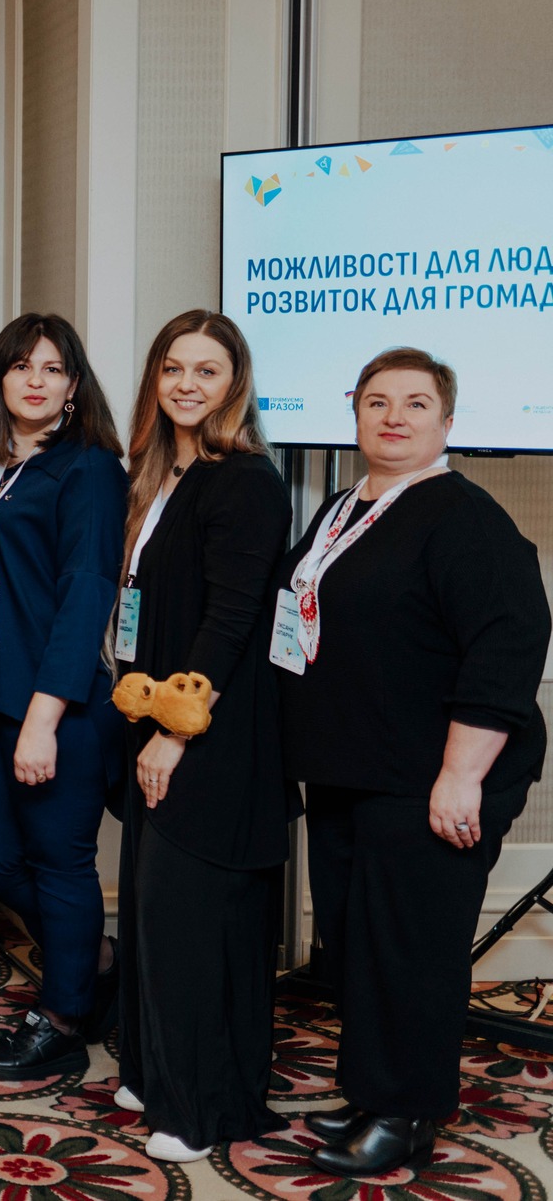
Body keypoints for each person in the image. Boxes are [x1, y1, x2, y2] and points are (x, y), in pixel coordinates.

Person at [275, 349, 550, 1177]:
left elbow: (507, 646)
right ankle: (372, 1091)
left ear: (448, 421)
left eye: (416, 403)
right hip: (351, 767)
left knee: (411, 949)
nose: (394, 416)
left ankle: (408, 1110)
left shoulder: (464, 517)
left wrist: (461, 775)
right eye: (377, 400)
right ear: (355, 411)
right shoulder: (342, 508)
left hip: (430, 775)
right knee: (358, 943)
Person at [108, 309, 291, 1162]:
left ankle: (203, 1106)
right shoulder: (158, 474)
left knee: (192, 923)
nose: (187, 384)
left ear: (235, 383)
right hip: (153, 720)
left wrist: (177, 731)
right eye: (173, 367)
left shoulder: (244, 481)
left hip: (209, 735)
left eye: (207, 370)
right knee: (152, 911)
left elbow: (231, 618)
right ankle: (155, 1071)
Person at [0, 314, 128, 1080]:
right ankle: (95, 959)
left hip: (58, 706)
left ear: (73, 386)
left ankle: (62, 1017)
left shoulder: (89, 469)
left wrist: (44, 717)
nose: (36, 380)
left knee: (59, 861)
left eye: (54, 368)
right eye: (22, 365)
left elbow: (86, 594)